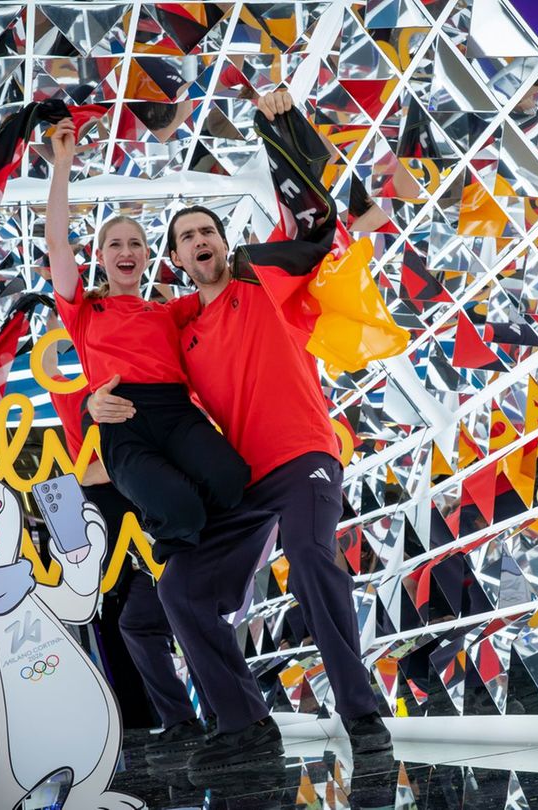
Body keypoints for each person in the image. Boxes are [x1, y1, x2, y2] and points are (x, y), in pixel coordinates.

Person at [88, 89, 392, 777]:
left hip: (304, 456)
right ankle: (246, 724)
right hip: (243, 484)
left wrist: (281, 124)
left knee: (311, 553)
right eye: (188, 238)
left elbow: (316, 220)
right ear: (176, 260)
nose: (201, 242)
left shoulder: (259, 276)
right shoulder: (177, 326)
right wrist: (91, 408)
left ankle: (361, 713)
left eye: (208, 232)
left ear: (224, 243)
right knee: (178, 592)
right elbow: (123, 363)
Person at [43, 116, 250, 561]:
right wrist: (62, 166)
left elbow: (222, 285)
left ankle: (176, 511)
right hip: (122, 423)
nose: (126, 251)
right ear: (100, 257)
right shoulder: (83, 311)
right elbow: (58, 246)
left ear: (148, 256)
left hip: (174, 411)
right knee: (182, 512)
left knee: (232, 480)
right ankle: (167, 529)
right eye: (115, 244)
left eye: (135, 244)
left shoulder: (169, 312)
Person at [38, 326, 214, 758]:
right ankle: (183, 719)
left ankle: (206, 716)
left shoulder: (153, 388)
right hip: (114, 567)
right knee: (134, 626)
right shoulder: (75, 399)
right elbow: (72, 476)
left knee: (177, 619)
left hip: (162, 536)